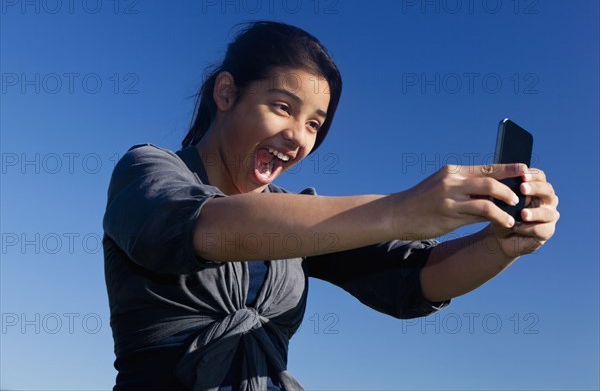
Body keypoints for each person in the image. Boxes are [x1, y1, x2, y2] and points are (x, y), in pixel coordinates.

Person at [102, 21, 559, 391]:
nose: (299, 137)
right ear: (226, 93)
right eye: (282, 107)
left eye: (314, 124)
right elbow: (204, 227)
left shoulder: (303, 221)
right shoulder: (148, 169)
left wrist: (502, 245)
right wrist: (402, 209)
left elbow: (416, 280)